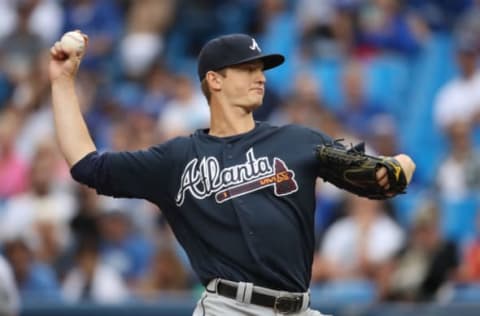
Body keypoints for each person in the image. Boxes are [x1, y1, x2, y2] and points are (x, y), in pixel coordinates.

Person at [49, 32, 415, 315]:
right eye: (248, 68)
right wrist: (63, 83)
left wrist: (400, 165)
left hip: (298, 306)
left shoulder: (298, 140)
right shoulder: (177, 159)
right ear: (215, 80)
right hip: (228, 307)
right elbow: (87, 165)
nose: (261, 77)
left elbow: (384, 176)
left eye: (261, 69)